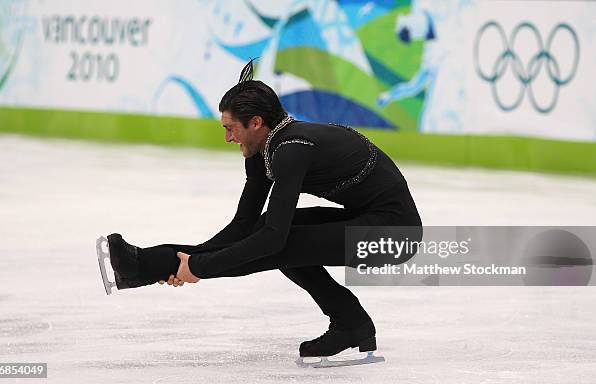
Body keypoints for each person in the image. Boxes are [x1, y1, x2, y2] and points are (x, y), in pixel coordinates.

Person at [105, 59, 422, 360]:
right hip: (365, 219)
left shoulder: (292, 149)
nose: (228, 138)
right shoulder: (263, 149)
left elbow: (272, 240)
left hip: (396, 235)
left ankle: (351, 323)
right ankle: (352, 324)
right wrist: (185, 260)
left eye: (231, 128)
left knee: (281, 241)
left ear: (256, 123)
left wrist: (200, 267)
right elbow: (244, 225)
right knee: (271, 229)